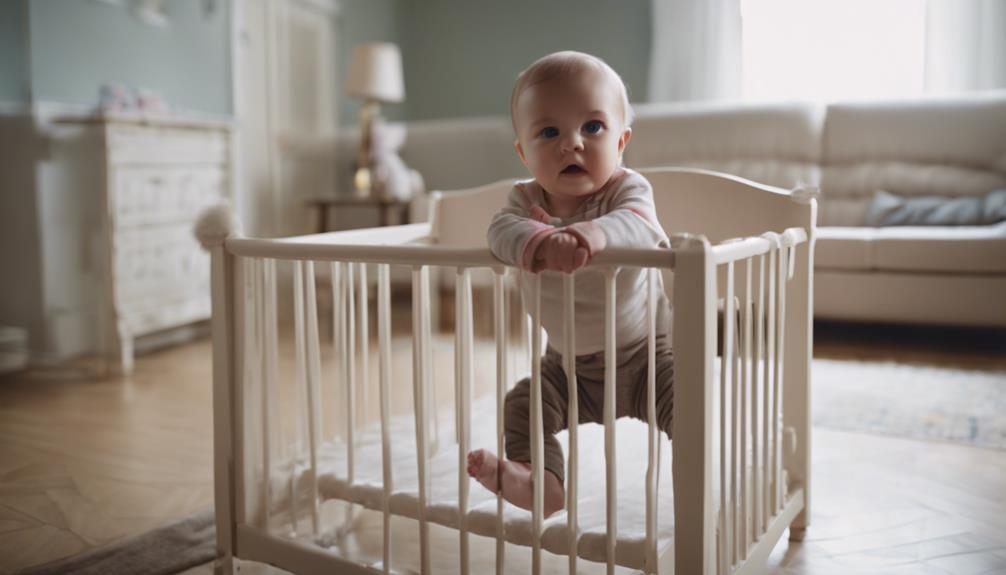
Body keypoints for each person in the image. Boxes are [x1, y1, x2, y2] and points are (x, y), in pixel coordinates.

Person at [466, 51, 675, 517]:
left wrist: (594, 234)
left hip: (644, 360)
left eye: (593, 127)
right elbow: (499, 233)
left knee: (688, 399)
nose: (572, 144)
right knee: (522, 404)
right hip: (567, 368)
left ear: (622, 141)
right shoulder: (524, 200)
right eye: (549, 132)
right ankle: (540, 479)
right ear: (523, 151)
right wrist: (541, 242)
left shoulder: (627, 190)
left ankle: (702, 473)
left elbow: (641, 227)